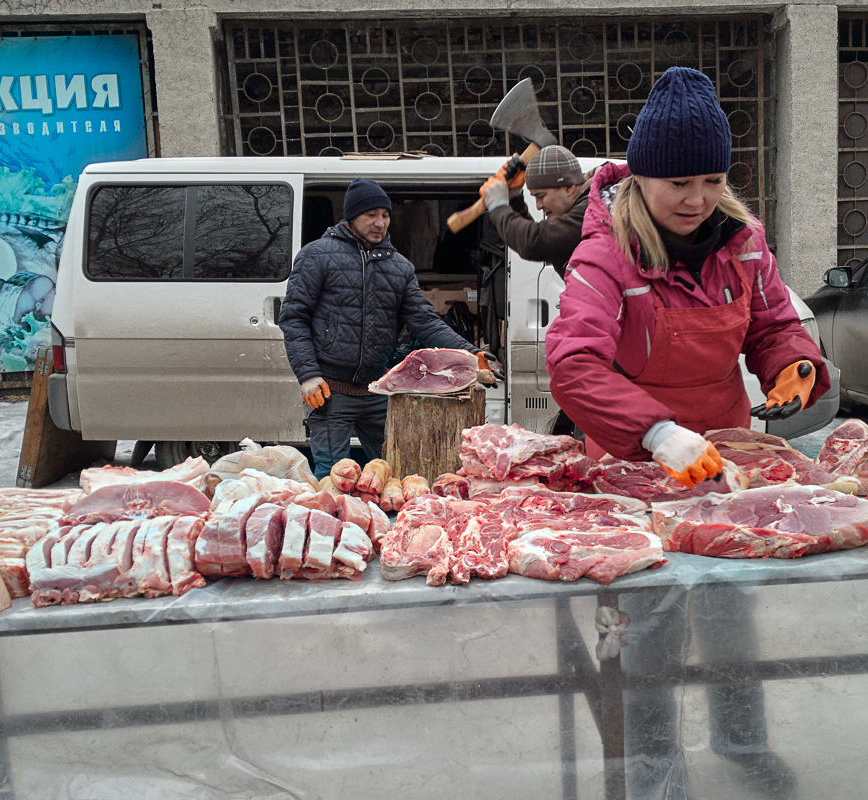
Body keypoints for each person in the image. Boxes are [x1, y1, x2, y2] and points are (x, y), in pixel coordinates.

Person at [545, 66, 831, 798]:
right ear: (641, 178)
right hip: (636, 471)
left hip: (727, 470)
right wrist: (656, 434)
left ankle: (742, 745)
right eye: (678, 182)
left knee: (733, 626)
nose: (697, 198)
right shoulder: (603, 252)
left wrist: (794, 364)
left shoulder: (745, 242)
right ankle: (654, 774)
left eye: (710, 178)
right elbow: (573, 366)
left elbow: (771, 323)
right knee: (648, 642)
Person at [280, 178, 499, 478]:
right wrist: (308, 375)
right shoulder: (316, 255)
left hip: (377, 391)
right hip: (331, 392)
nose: (379, 223)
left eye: (385, 215)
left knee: (395, 474)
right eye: (371, 215)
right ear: (351, 216)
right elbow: (293, 318)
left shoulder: (400, 267)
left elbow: (425, 320)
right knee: (333, 478)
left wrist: (470, 354)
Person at [480, 145, 594, 278]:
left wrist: (497, 207)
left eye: (541, 196)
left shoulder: (591, 210)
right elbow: (548, 244)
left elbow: (535, 243)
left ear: (569, 188)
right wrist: (514, 199)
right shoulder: (585, 206)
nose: (538, 206)